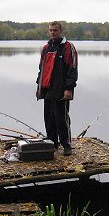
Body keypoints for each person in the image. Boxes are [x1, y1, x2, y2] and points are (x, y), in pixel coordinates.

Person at [36, 21, 78, 156]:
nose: (53, 32)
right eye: (51, 30)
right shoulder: (46, 48)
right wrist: (38, 86)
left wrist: (68, 88)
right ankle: (52, 143)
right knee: (49, 118)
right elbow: (41, 69)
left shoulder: (67, 47)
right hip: (47, 89)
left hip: (61, 89)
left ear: (61, 31)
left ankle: (66, 145)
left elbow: (72, 70)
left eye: (55, 30)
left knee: (62, 119)